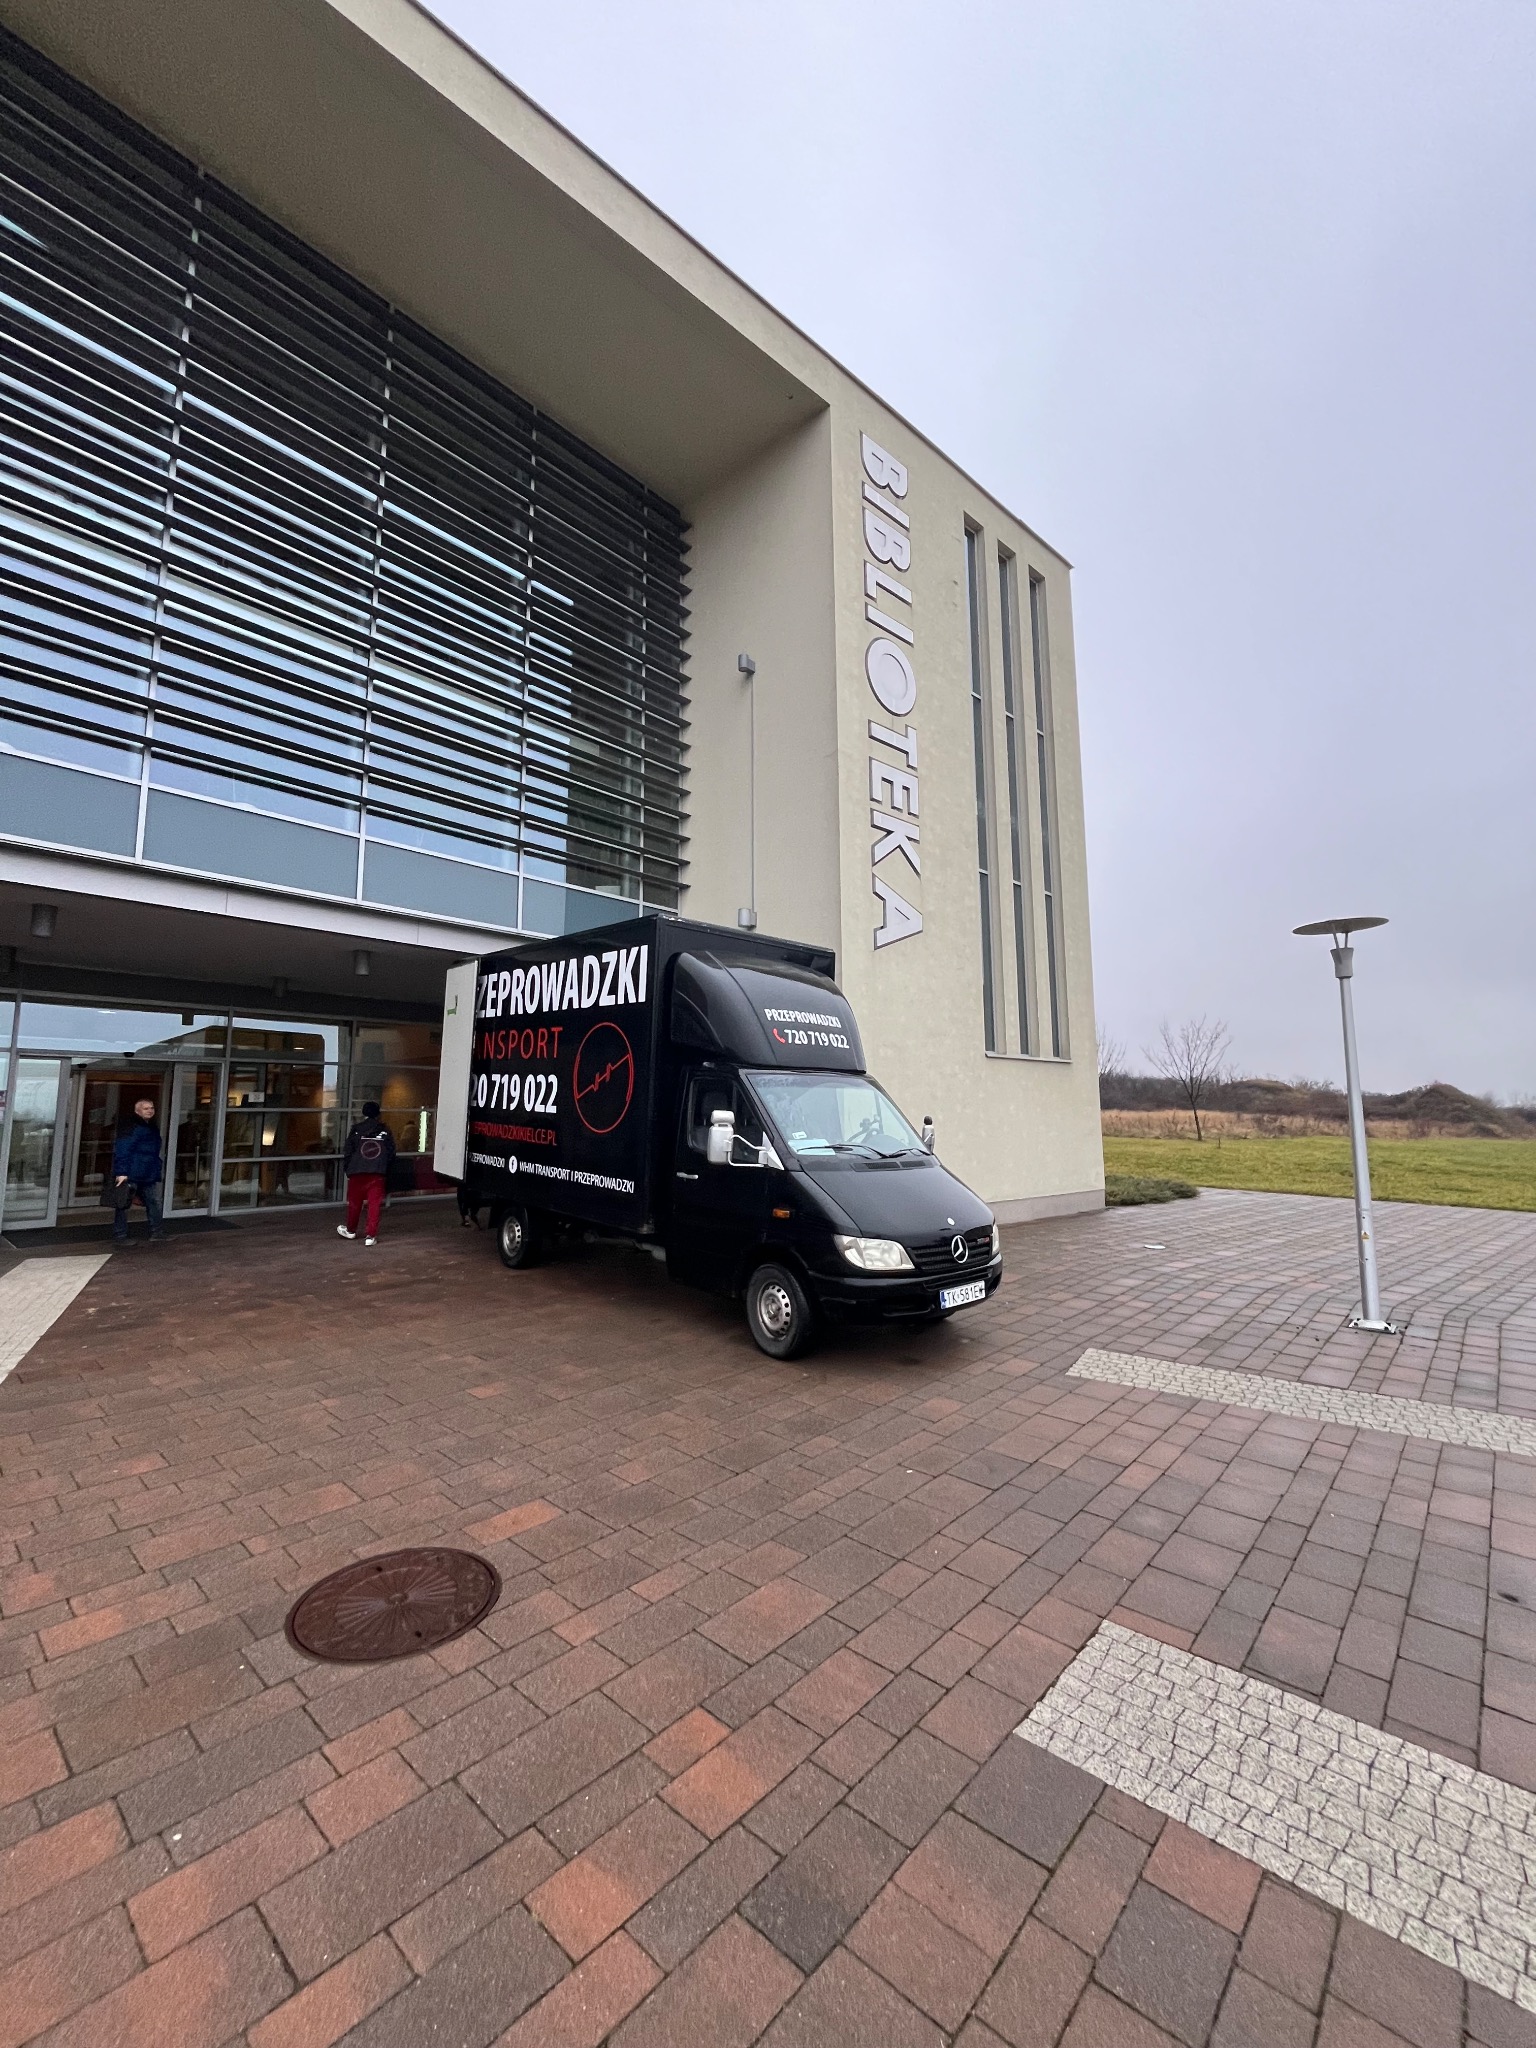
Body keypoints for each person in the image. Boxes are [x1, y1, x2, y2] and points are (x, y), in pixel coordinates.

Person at [338, 1100, 395, 1246]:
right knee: (374, 1205)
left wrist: (348, 1169)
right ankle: (370, 1236)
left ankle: (351, 1230)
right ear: (378, 1113)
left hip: (357, 1172)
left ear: (363, 1112)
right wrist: (385, 1170)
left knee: (354, 1203)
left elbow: (348, 1151)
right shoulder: (385, 1130)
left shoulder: (356, 1129)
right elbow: (391, 1153)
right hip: (377, 1172)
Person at [112, 1096, 166, 1245]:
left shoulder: (150, 1126)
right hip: (132, 1172)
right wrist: (121, 1172)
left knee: (154, 1202)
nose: (150, 1110)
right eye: (146, 1108)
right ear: (137, 1111)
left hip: (147, 1172)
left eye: (152, 1108)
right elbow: (123, 1149)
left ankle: (157, 1232)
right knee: (123, 1203)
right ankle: (120, 1236)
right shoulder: (131, 1127)